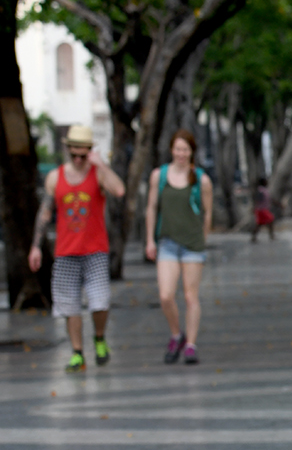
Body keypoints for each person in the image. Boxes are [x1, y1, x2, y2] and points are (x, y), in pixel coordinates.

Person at [29, 125, 125, 373]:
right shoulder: (55, 177)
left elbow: (120, 190)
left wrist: (101, 164)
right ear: (68, 150)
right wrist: (36, 247)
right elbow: (45, 212)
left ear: (90, 152)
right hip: (66, 252)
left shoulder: (98, 174)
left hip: (95, 251)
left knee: (99, 302)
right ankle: (77, 353)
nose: (80, 160)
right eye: (75, 155)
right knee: (69, 306)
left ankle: (100, 339)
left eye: (84, 155)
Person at [142, 128, 214, 364]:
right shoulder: (159, 176)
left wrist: (203, 239)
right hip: (168, 243)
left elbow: (207, 212)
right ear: (172, 150)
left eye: (186, 149)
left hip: (192, 244)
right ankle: (176, 334)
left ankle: (191, 345)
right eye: (178, 149)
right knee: (165, 295)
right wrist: (150, 239)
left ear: (192, 152)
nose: (181, 153)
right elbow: (152, 207)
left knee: (191, 296)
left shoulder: (201, 180)